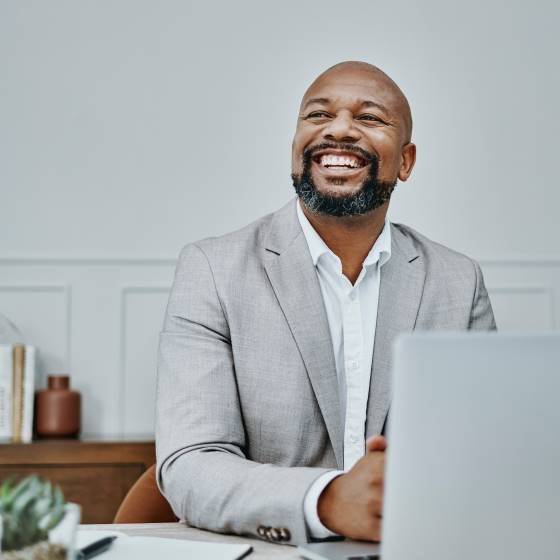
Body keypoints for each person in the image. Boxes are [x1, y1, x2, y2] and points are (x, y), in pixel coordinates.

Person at [155, 61, 496, 546]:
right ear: (296, 149)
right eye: (317, 116)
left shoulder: (459, 282)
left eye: (370, 118)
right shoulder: (212, 269)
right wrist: (328, 500)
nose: (338, 129)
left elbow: (485, 452)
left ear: (406, 161)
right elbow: (189, 465)